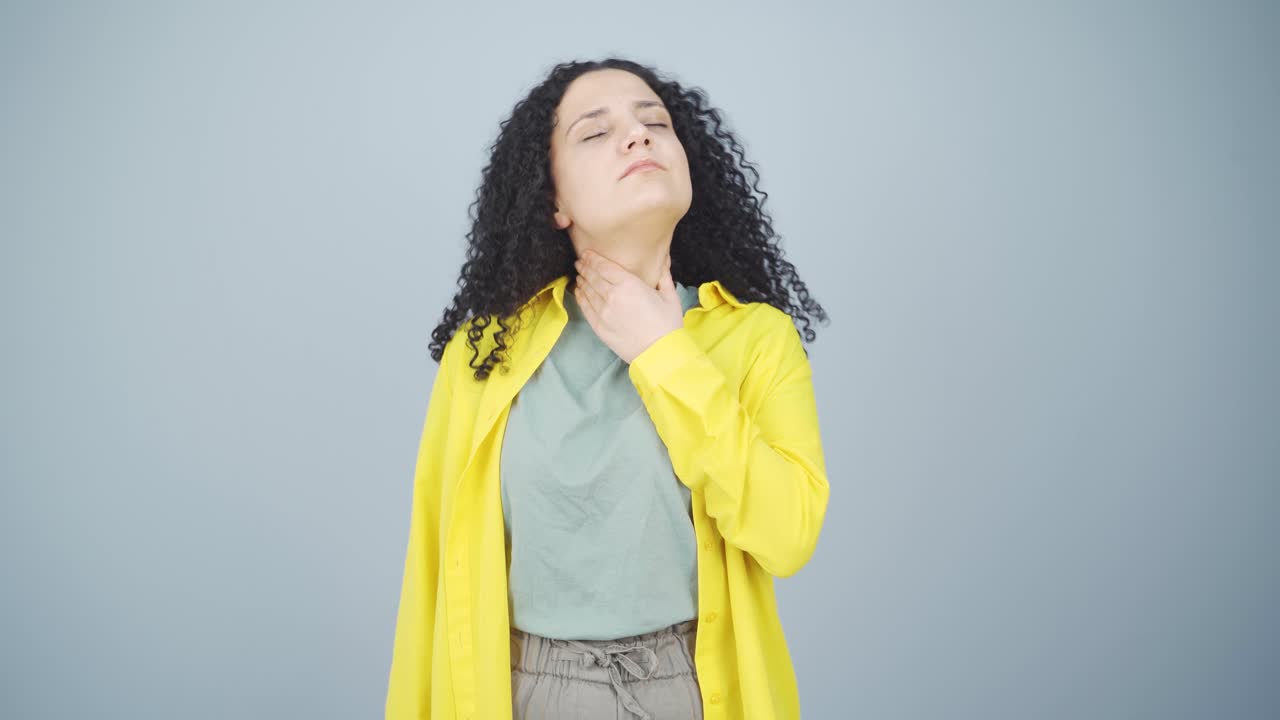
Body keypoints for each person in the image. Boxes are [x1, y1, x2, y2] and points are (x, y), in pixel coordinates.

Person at [385, 57, 831, 720]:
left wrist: (663, 352)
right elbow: (431, 574)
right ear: (554, 202)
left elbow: (787, 535)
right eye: (595, 133)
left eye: (656, 122)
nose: (638, 136)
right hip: (524, 689)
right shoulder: (484, 352)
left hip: (693, 688)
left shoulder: (757, 340)